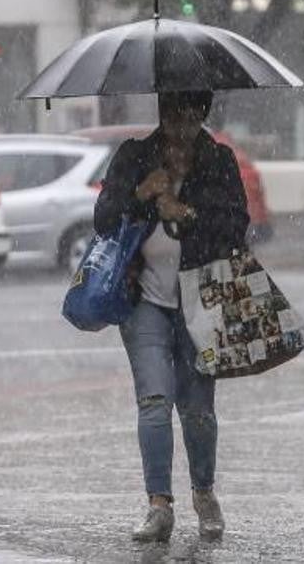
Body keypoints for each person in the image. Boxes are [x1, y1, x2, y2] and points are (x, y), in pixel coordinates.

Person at [93, 89, 250, 542]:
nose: (177, 125)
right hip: (144, 300)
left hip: (201, 300)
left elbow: (235, 226)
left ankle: (204, 493)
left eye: (187, 115)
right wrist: (143, 195)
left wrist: (187, 213)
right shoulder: (135, 156)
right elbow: (104, 219)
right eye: (170, 113)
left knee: (198, 409)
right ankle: (158, 505)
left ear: (201, 115)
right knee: (154, 402)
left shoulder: (218, 161)